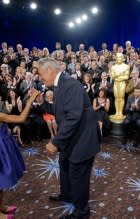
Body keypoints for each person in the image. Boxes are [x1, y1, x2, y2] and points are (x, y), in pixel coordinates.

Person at [37, 57, 100, 219]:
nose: (40, 78)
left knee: (78, 176)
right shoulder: (59, 85)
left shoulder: (70, 85)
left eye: (40, 74)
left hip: (82, 140)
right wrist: (42, 103)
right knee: (64, 165)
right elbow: (60, 111)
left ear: (50, 70)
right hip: (71, 138)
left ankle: (81, 213)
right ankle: (67, 194)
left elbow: (73, 117)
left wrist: (55, 142)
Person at [0, 83, 40, 219]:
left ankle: (1, 207)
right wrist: (30, 101)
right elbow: (21, 118)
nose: (0, 97)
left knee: (1, 180)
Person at [109, 53, 130, 123]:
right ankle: (117, 112)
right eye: (117, 57)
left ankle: (120, 112)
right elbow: (112, 76)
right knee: (116, 98)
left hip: (122, 83)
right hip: (115, 83)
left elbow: (126, 77)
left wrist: (118, 78)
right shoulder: (113, 67)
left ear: (123, 58)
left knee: (121, 98)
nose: (118, 59)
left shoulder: (126, 66)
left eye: (120, 57)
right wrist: (117, 75)